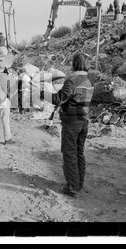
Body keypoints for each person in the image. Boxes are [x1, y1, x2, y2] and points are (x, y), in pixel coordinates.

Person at [43, 52, 94, 198]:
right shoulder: (89, 80)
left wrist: (42, 93)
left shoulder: (72, 81)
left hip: (72, 123)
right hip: (84, 121)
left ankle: (72, 188)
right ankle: (78, 184)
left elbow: (59, 99)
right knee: (79, 153)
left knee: (70, 153)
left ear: (75, 63)